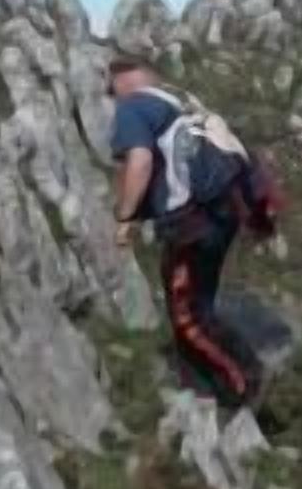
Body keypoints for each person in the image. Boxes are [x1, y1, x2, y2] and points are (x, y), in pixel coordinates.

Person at [107, 55, 261, 409]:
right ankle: (216, 375)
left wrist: (125, 218)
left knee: (187, 317)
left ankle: (239, 390)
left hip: (191, 224)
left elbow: (140, 161)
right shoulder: (179, 104)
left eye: (110, 87)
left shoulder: (134, 105)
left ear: (126, 81)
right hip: (222, 213)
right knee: (198, 303)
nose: (110, 97)